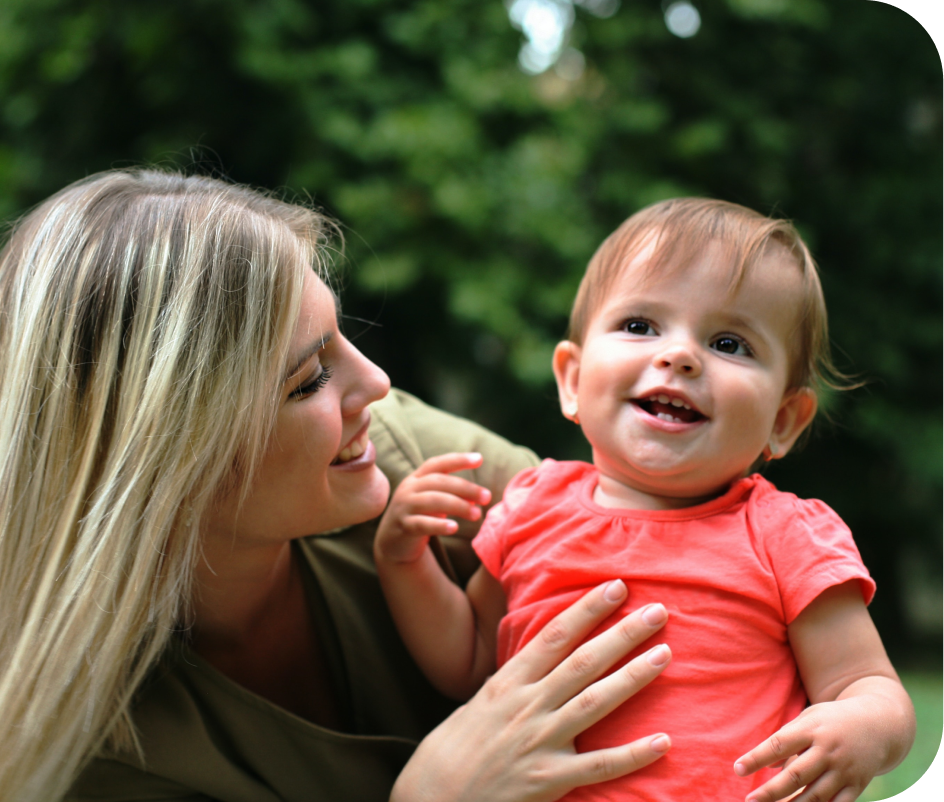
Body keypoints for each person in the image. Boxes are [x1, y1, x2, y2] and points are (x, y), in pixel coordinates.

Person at [0, 170, 679, 802]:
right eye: (308, 378)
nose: (378, 385)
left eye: (339, 337)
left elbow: (702, 575)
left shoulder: (402, 464)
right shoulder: (91, 757)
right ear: (166, 458)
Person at [375, 199, 917, 802]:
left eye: (730, 343)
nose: (679, 355)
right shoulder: (532, 509)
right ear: (572, 380)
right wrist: (404, 562)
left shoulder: (784, 533)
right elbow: (472, 661)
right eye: (640, 326)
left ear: (784, 420)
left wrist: (863, 728)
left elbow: (869, 685)